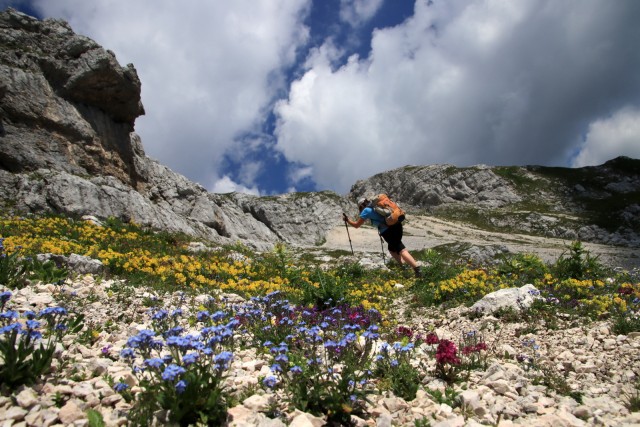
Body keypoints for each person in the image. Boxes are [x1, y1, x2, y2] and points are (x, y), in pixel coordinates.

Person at [343, 197, 422, 278]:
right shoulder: (377, 206)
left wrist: (347, 220)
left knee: (400, 248)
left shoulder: (366, 211)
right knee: (392, 249)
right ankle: (403, 266)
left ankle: (417, 269)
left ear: (361, 206)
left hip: (388, 231)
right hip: (397, 225)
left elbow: (356, 225)